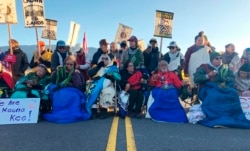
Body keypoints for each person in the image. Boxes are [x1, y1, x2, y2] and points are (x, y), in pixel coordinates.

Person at [193, 52, 250, 128]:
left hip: (223, 87)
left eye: (220, 58)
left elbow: (232, 78)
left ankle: (231, 116)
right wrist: (208, 75)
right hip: (208, 87)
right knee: (214, 95)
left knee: (233, 93)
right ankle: (216, 117)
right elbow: (196, 78)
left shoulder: (225, 68)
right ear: (212, 59)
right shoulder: (204, 67)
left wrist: (224, 80)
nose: (219, 60)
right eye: (217, 58)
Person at [43, 55, 88, 123]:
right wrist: (56, 71)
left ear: (74, 65)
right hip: (61, 89)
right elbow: (53, 81)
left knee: (72, 95)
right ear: (64, 64)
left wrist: (73, 76)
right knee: (58, 94)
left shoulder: (76, 72)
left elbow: (78, 85)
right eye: (67, 64)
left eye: (71, 64)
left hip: (74, 90)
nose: (69, 66)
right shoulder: (61, 71)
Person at [86, 54, 121, 119]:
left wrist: (111, 76)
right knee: (93, 91)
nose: (104, 60)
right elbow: (90, 74)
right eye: (103, 59)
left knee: (106, 92)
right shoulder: (97, 67)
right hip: (96, 85)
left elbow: (118, 79)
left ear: (109, 60)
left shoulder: (113, 68)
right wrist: (98, 67)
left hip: (108, 86)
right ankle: (93, 111)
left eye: (106, 59)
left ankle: (103, 111)